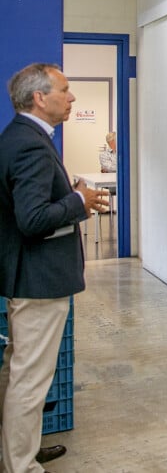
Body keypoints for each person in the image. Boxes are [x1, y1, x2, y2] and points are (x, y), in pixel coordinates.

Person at [0, 63, 109, 472]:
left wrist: (73, 198)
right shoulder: (29, 144)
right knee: (29, 380)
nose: (72, 97)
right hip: (38, 279)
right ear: (39, 98)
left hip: (28, 276)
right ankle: (20, 464)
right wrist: (78, 202)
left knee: (18, 372)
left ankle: (16, 450)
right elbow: (32, 219)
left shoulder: (22, 136)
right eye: (65, 90)